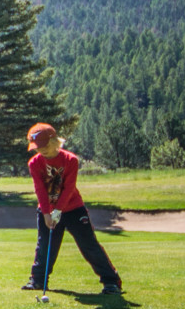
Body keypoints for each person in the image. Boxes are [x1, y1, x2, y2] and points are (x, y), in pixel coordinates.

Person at [23, 122, 123, 295]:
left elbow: (69, 188)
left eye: (44, 145)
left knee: (89, 245)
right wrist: (46, 213)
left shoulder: (70, 160)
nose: (40, 150)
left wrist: (58, 210)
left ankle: (111, 282)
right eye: (37, 147)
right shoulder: (34, 163)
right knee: (45, 246)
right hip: (47, 211)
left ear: (54, 141)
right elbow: (40, 190)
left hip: (73, 209)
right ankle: (37, 280)